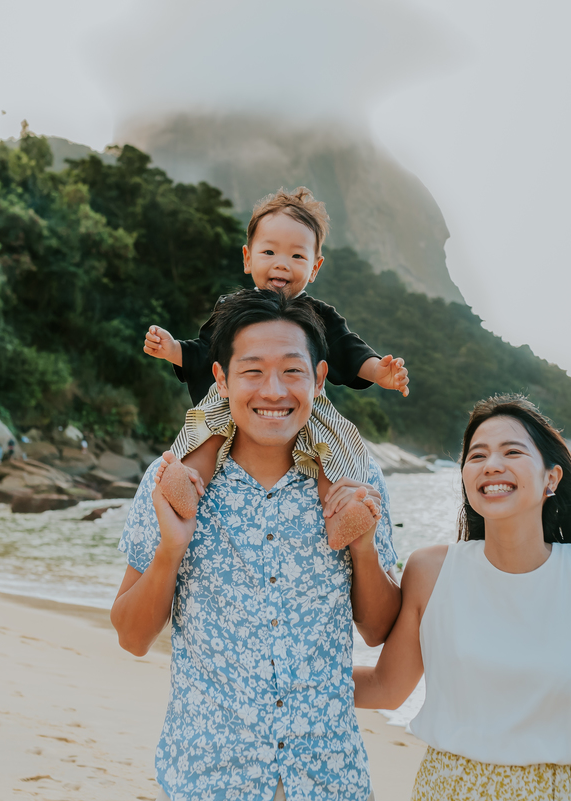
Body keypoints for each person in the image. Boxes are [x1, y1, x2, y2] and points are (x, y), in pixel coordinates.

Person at [113, 288, 402, 801]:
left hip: (329, 781)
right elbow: (133, 638)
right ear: (221, 379)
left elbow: (378, 630)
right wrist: (170, 552)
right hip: (208, 780)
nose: (273, 390)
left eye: (292, 371)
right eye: (252, 371)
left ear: (319, 378)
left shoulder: (354, 482)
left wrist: (363, 547)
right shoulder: (174, 482)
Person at [353, 395, 571, 801]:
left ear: (551, 478)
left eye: (512, 452)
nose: (491, 464)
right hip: (450, 791)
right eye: (477, 455)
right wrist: (274, 679)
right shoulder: (431, 571)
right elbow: (386, 687)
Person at [142, 187, 409, 546]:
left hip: (302, 407)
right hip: (234, 399)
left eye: (297, 255)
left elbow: (348, 349)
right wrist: (173, 349)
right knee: (209, 433)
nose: (281, 264)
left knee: (330, 448)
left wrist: (378, 371)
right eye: (269, 252)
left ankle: (340, 512)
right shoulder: (233, 310)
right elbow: (206, 352)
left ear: (315, 267)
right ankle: (188, 483)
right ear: (247, 258)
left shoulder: (319, 316)